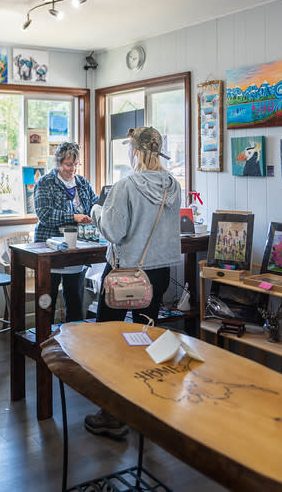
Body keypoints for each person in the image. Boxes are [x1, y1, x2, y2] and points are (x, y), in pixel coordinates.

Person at [85, 126, 182, 438]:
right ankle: (146, 404)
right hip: (158, 273)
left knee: (108, 340)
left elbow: (113, 232)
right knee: (147, 339)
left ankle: (113, 413)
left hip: (126, 275)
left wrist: (97, 209)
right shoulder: (172, 185)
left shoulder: (126, 185)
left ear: (136, 151)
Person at [33, 142, 97, 322]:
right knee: (47, 302)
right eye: (69, 165)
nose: (73, 169)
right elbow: (45, 214)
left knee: (75, 301)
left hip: (77, 249)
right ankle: (44, 342)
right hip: (50, 249)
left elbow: (94, 204)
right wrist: (74, 217)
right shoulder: (45, 182)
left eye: (76, 164)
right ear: (58, 163)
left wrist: (93, 214)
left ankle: (73, 344)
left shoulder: (82, 183)